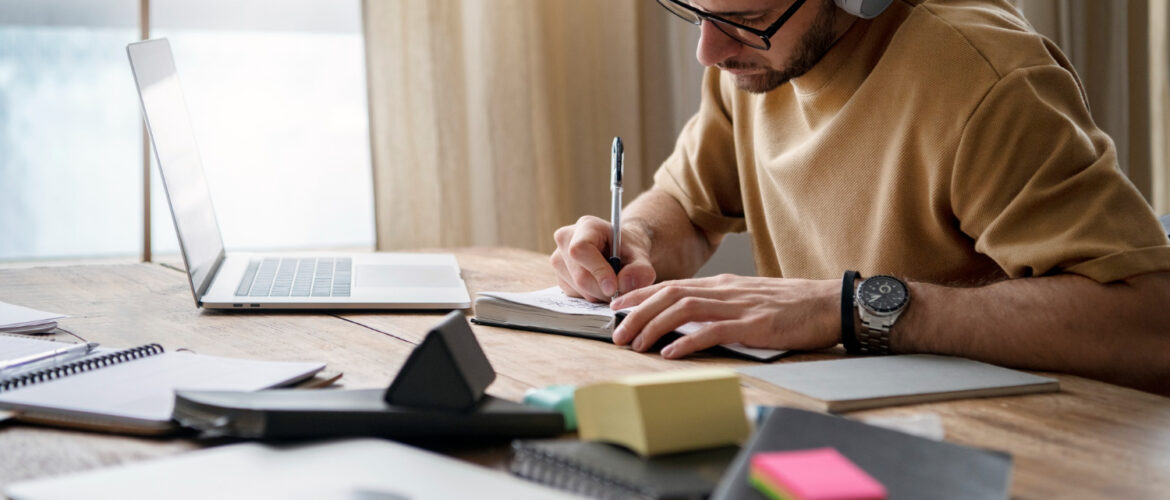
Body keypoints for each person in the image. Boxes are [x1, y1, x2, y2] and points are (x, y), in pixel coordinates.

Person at [549, 0, 1170, 395]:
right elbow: (686, 206)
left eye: (747, 18)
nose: (708, 52)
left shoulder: (987, 80)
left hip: (1023, 449)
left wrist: (852, 308)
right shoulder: (753, 67)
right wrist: (634, 239)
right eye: (694, 8)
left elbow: (1148, 325)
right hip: (845, 424)